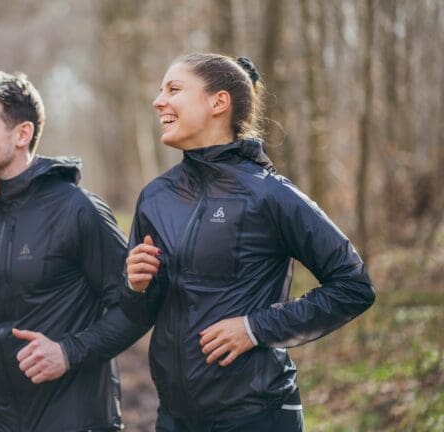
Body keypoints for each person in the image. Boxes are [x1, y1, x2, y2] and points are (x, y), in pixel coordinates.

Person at [122, 53, 376, 431]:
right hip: (175, 418)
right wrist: (137, 285)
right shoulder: (156, 197)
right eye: (161, 91)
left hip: (257, 416)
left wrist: (255, 328)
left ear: (218, 102)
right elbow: (142, 311)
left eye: (173, 89)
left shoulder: (269, 195)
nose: (159, 101)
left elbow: (353, 287)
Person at [0, 71, 148, 432]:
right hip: (3, 422)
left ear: (23, 134)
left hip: (78, 421)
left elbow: (137, 308)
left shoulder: (77, 209)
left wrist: (68, 352)